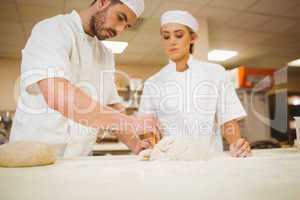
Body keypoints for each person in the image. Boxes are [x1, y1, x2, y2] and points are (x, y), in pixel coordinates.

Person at [10, 0, 162, 157]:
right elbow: (57, 95)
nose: (119, 30)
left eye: (126, 26)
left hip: (79, 159)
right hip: (31, 157)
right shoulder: (53, 29)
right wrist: (132, 123)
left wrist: (136, 144)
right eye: (120, 18)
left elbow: (113, 106)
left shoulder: (106, 55)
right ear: (102, 2)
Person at [139, 10, 251, 158]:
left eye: (178, 35)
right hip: (169, 161)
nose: (172, 41)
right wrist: (150, 144)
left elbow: (228, 119)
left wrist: (237, 145)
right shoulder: (153, 82)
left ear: (193, 38)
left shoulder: (215, 72)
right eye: (166, 36)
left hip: (209, 160)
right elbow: (147, 128)